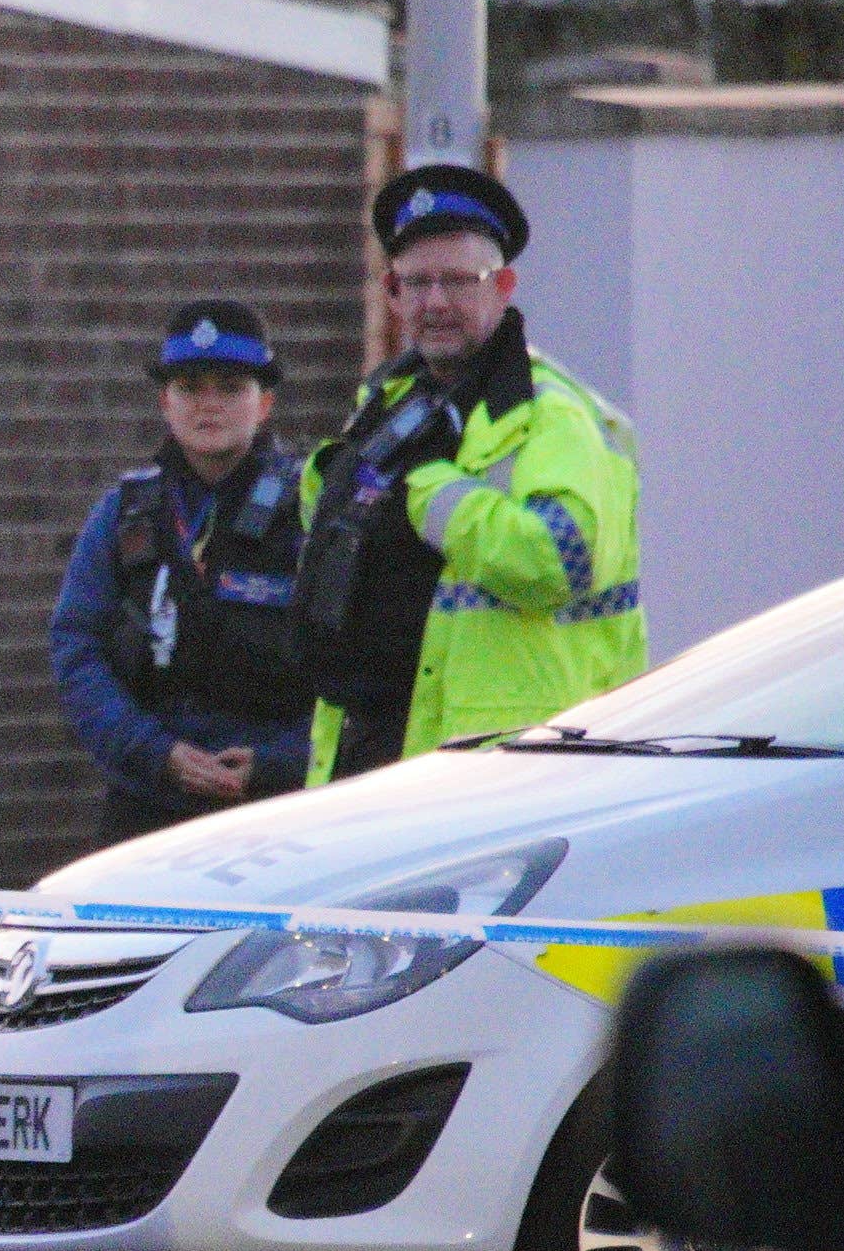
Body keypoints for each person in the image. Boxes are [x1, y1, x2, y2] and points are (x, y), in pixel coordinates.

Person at [294, 164, 647, 782]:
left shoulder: (551, 414)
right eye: (417, 282)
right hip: (374, 753)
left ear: (503, 286)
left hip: (514, 770)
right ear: (392, 292)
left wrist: (435, 495)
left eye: (459, 281)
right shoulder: (386, 402)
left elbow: (558, 560)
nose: (436, 302)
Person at [49, 299, 314, 845]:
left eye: (230, 388)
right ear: (165, 403)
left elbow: (353, 661)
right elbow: (76, 648)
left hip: (278, 811)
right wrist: (154, 753)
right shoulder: (125, 512)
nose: (208, 405)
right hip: (146, 801)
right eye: (190, 388)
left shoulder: (312, 508)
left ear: (264, 403)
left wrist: (280, 763)